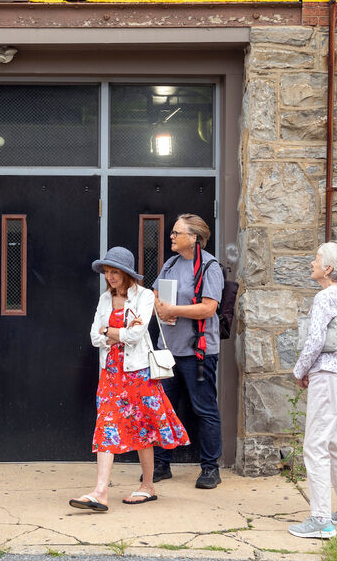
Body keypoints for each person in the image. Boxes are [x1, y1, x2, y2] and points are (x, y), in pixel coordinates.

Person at [69, 247, 189, 513]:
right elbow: (94, 337)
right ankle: (100, 492)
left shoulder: (144, 296)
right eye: (107, 272)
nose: (110, 277)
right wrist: (115, 333)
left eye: (115, 272)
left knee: (143, 427)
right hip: (111, 373)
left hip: (139, 373)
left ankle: (148, 486)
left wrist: (109, 332)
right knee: (106, 426)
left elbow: (135, 337)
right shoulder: (104, 300)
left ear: (127, 274)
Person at [288, 242, 337, 540]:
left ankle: (321, 519)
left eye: (317, 259)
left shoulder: (325, 297)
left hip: (327, 375)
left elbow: (315, 340)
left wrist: (299, 371)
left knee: (315, 445)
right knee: (333, 443)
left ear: (329, 268)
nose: (312, 263)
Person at [151, 214, 224, 489]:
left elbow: (208, 308)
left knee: (204, 410)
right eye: (172, 232)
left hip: (198, 353)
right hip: (167, 351)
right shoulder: (170, 264)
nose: (171, 236)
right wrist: (159, 305)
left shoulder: (209, 267)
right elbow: (156, 293)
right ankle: (161, 464)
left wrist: (174, 311)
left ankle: (210, 468)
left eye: (176, 232)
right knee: (164, 409)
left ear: (194, 237)